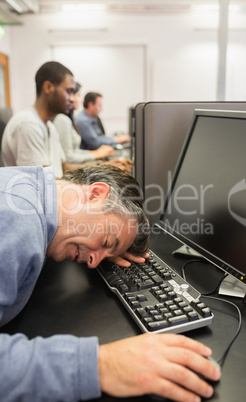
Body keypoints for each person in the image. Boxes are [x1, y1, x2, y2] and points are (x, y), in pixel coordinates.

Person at [0, 163, 221, 402]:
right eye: (106, 241)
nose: (94, 263)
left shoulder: (29, 192)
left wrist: (106, 245)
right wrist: (102, 366)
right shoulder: (18, 221)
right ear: (95, 194)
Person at [1, 62, 131, 178]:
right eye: (69, 91)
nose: (72, 99)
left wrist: (106, 167)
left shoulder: (49, 126)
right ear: (48, 88)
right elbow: (43, 185)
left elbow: (65, 168)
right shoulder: (28, 124)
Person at [53, 82, 115, 164]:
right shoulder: (64, 120)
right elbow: (69, 157)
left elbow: (75, 151)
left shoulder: (68, 119)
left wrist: (95, 153)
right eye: (78, 95)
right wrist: (96, 154)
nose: (81, 100)